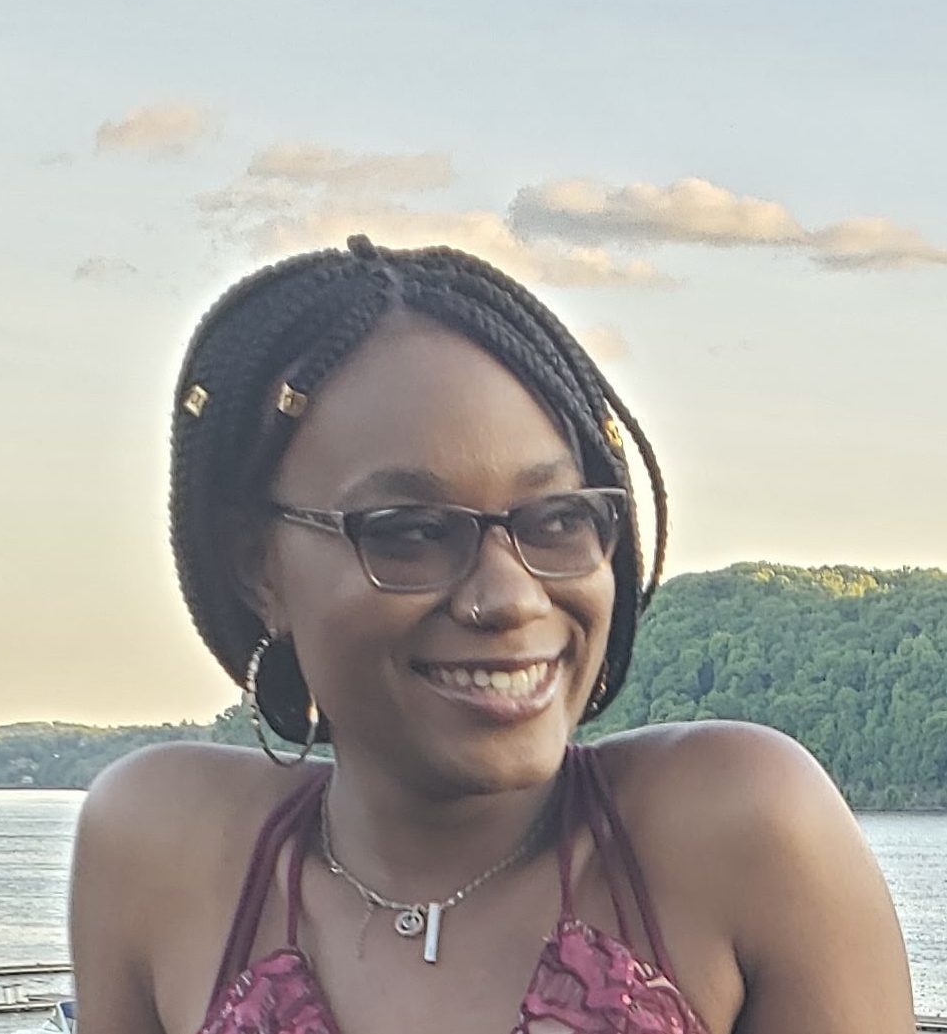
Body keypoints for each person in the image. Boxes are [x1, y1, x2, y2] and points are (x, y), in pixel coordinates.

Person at [70, 236, 914, 1034]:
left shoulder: (742, 829)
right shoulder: (162, 851)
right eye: (409, 531)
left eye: (557, 519)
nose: (509, 597)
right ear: (257, 568)